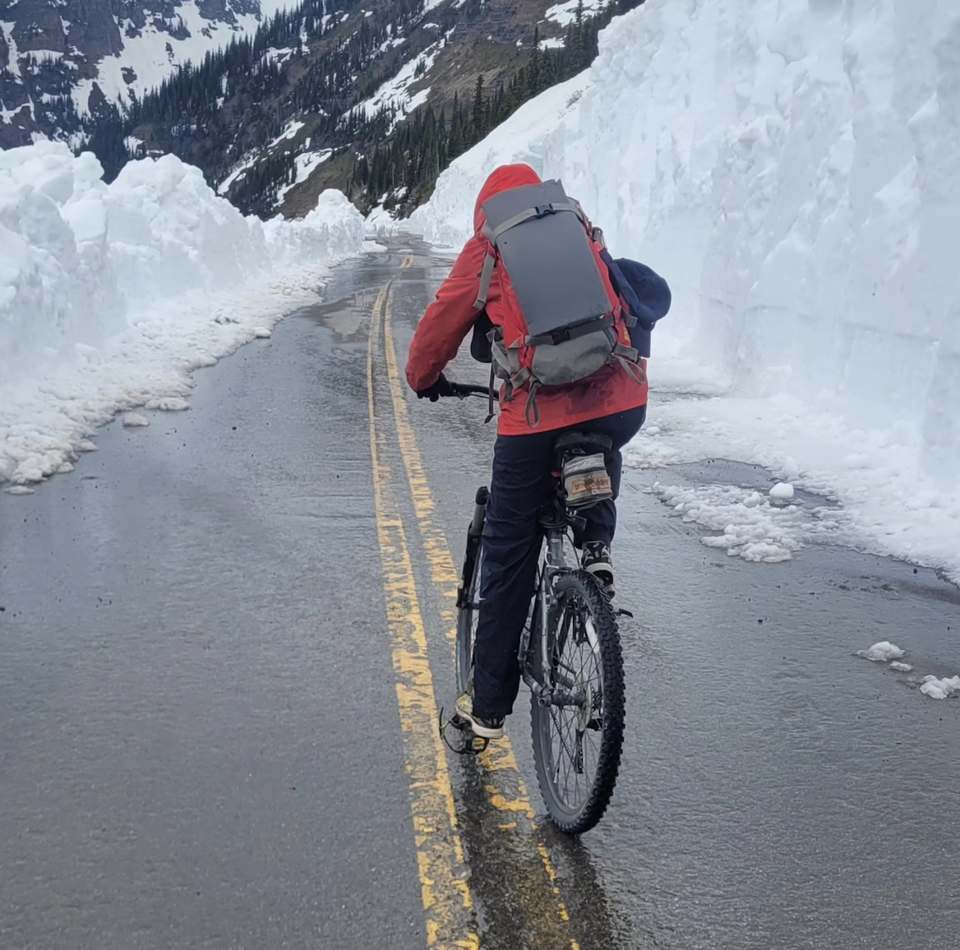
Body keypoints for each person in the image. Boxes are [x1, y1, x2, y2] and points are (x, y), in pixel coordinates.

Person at [405, 164, 670, 740]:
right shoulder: (578, 227)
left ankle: (488, 707)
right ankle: (596, 544)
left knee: (509, 549)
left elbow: (440, 325)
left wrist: (422, 377)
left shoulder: (489, 246)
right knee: (595, 434)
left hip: (535, 418)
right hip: (623, 398)